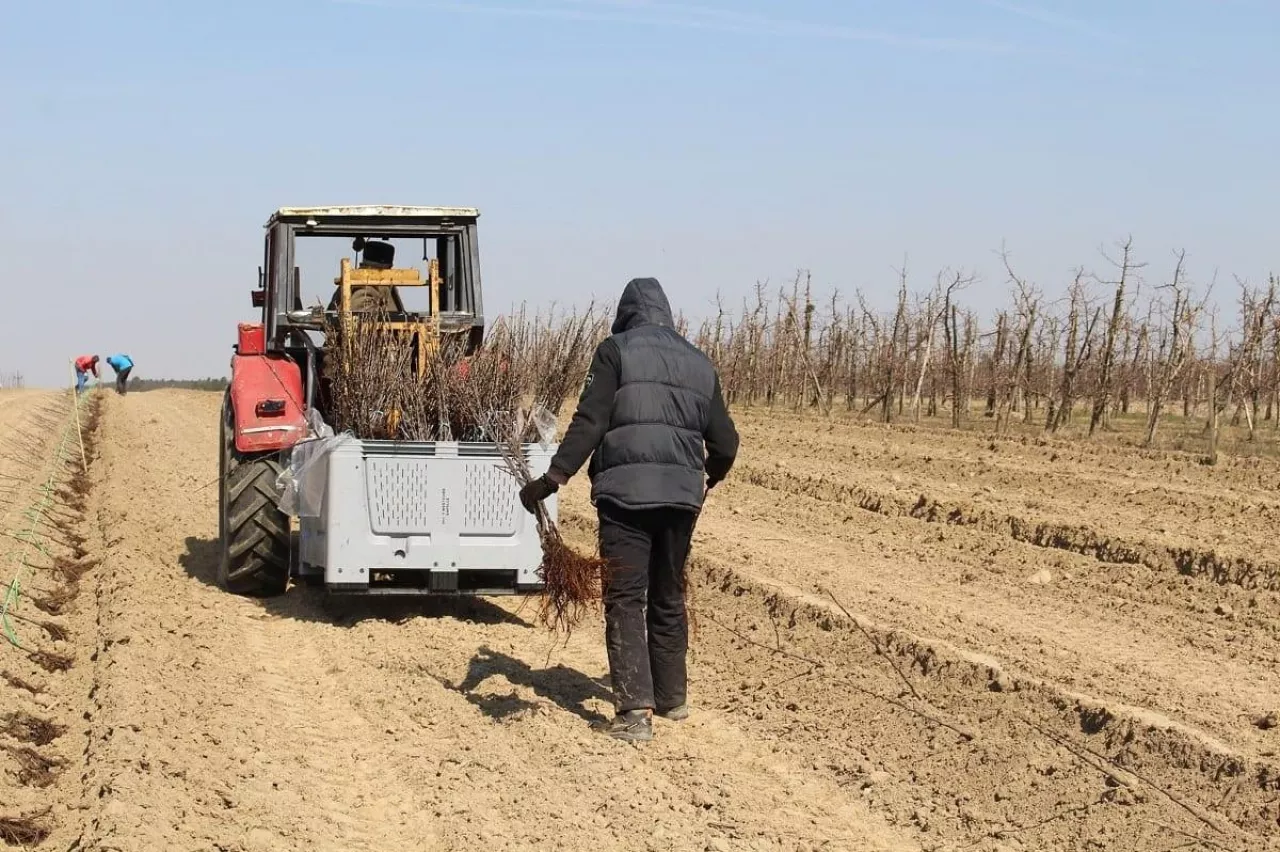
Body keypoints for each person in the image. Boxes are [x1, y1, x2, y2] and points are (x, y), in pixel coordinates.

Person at [518, 277, 739, 743]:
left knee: (625, 597)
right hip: (682, 500)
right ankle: (672, 698)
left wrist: (552, 479)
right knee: (667, 594)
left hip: (625, 498)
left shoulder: (614, 351)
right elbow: (726, 441)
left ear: (626, 315)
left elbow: (590, 420)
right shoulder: (700, 361)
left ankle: (635, 713)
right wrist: (710, 475)